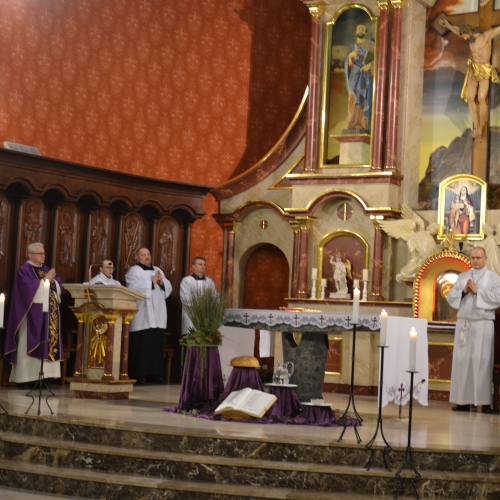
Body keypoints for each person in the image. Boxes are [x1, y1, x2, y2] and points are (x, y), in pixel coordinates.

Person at [446, 247, 500, 413]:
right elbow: (450, 296)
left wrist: (478, 292)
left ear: (485, 258)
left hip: (483, 324)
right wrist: (464, 292)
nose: (475, 260)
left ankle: (484, 403)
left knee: (482, 361)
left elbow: (498, 298)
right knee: (462, 361)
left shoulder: (494, 278)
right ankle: (462, 401)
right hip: (464, 324)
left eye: (478, 257)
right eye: (473, 257)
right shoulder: (463, 277)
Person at [4, 242, 64, 387]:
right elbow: (26, 290)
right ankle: (27, 379)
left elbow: (57, 285)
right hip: (30, 316)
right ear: (30, 255)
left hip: (50, 316)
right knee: (28, 343)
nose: (43, 256)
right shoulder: (23, 270)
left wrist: (53, 283)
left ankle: (45, 378)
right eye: (40, 253)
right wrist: (46, 281)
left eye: (44, 253)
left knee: (48, 343)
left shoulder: (46, 269)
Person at [438, 19, 500, 139]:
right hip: (473, 68)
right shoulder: (469, 38)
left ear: (469, 32)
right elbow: (457, 31)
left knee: (481, 98)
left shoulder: (485, 37)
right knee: (470, 98)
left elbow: (496, 30)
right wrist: (448, 25)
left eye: (465, 36)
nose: (464, 38)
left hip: (484, 68)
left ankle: (481, 124)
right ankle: (476, 124)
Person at [125, 248, 172, 383]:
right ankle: (138, 375)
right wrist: (151, 282)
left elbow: (168, 288)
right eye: (143, 255)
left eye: (148, 254)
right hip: (142, 313)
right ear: (137, 257)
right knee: (141, 345)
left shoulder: (158, 270)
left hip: (157, 313)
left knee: (156, 345)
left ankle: (154, 375)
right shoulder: (133, 271)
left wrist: (161, 282)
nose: (147, 257)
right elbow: (131, 289)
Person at [344, 24, 374, 131]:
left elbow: (377, 60)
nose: (360, 31)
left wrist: (370, 65)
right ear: (356, 32)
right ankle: (352, 123)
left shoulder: (371, 45)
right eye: (358, 29)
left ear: (366, 32)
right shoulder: (352, 46)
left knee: (364, 97)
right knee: (352, 97)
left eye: (363, 29)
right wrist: (351, 56)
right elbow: (348, 63)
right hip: (354, 75)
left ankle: (363, 123)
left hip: (365, 76)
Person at [180, 257, 216, 335]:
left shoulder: (209, 281)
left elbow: (214, 297)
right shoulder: (187, 280)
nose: (203, 266)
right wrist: (203, 298)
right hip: (191, 315)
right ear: (193, 266)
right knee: (191, 336)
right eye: (200, 264)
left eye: (204, 264)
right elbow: (185, 298)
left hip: (205, 316)